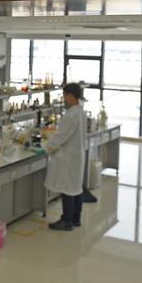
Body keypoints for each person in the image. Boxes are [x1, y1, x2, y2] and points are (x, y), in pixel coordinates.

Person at [44, 83, 86, 231]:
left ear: (70, 95)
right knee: (76, 188)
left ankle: (66, 221)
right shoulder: (80, 112)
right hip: (76, 155)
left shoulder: (71, 115)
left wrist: (46, 148)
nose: (64, 98)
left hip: (69, 158)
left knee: (68, 189)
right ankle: (76, 219)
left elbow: (60, 137)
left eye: (65, 95)